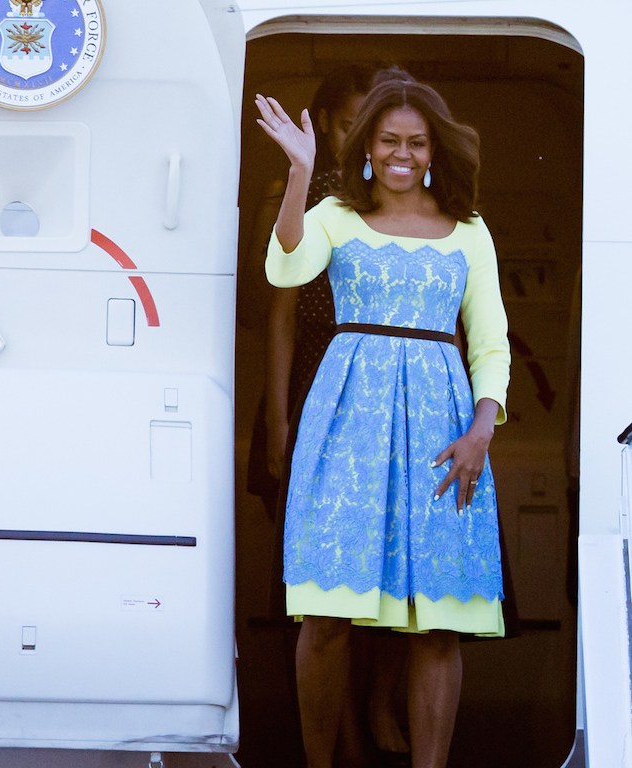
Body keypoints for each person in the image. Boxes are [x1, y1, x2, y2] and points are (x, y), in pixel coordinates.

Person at [255, 73, 510, 768]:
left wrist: (482, 429)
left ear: (434, 150)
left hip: (442, 431)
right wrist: (300, 172)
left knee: (440, 623)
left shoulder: (469, 230)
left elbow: (490, 342)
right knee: (326, 614)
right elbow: (287, 269)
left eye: (417, 142)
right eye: (389, 140)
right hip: (346, 426)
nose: (403, 153)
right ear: (367, 145)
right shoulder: (335, 214)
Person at [247, 65, 412, 767]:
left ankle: (377, 705)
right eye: (349, 124)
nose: (362, 137)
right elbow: (279, 314)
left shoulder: (407, 199)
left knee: (392, 566)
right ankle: (339, 737)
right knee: (321, 581)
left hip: (390, 394)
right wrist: (280, 423)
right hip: (312, 385)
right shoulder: (309, 196)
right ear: (323, 124)